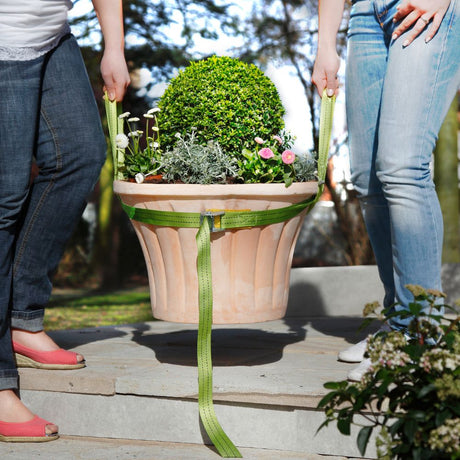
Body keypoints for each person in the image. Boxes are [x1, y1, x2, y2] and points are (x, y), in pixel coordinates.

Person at [0, 0, 130, 441]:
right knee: (5, 197)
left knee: (80, 155)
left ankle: (22, 316)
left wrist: (114, 45)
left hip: (53, 39)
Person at [312, 0, 459, 381]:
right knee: (367, 179)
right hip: (363, 14)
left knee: (402, 166)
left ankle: (420, 334)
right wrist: (325, 45)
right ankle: (398, 321)